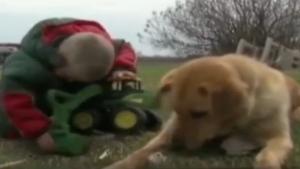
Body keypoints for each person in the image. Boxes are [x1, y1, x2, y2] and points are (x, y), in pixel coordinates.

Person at [0, 17, 138, 155]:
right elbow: (16, 103)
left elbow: (123, 47)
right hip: (30, 99)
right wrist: (39, 132)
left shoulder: (98, 44)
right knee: (7, 124)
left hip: (64, 96)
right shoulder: (26, 67)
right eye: (68, 77)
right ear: (57, 61)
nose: (71, 80)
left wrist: (123, 67)